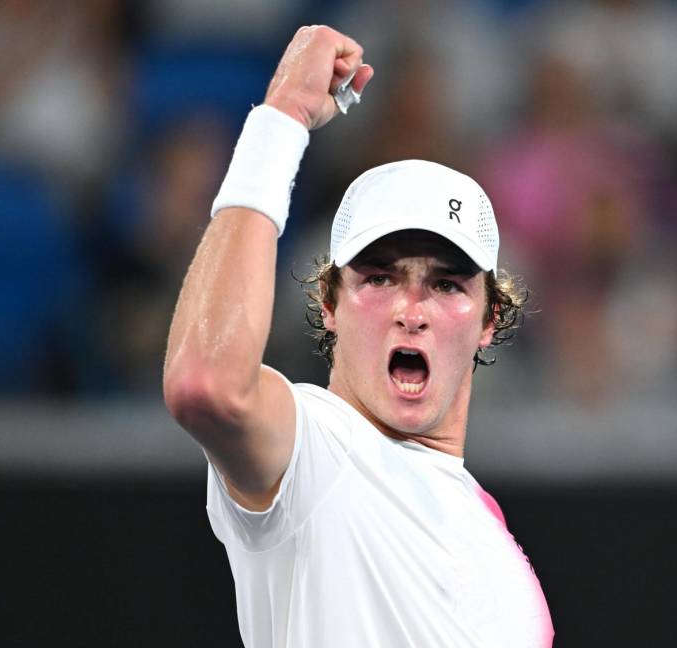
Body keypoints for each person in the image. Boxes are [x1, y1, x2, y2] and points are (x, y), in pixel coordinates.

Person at [162, 25, 553, 647]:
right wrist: (281, 118)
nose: (411, 309)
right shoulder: (317, 449)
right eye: (379, 278)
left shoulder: (490, 534)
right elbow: (205, 384)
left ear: (490, 320)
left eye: (447, 285)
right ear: (329, 304)